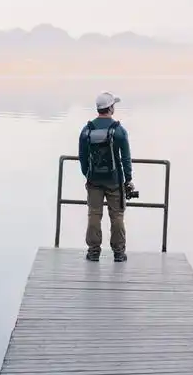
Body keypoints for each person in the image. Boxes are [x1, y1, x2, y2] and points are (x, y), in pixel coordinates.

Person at [78, 91, 133, 262]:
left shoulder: (87, 130)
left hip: (93, 179)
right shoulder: (118, 131)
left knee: (94, 214)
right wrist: (128, 179)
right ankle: (118, 252)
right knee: (116, 216)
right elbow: (125, 158)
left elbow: (82, 157)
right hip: (114, 180)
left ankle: (94, 251)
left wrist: (88, 173)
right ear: (110, 108)